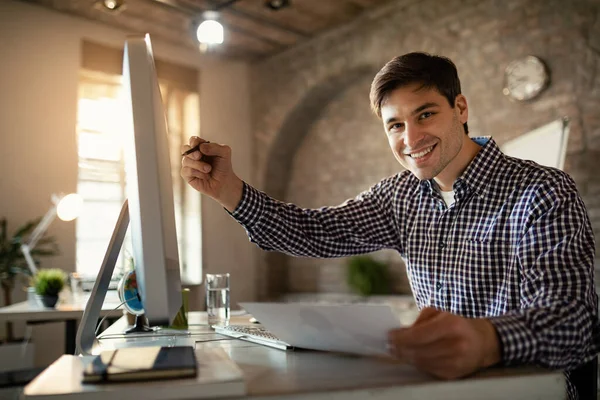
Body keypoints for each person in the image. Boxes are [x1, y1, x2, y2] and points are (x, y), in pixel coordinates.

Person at [180, 52, 599, 400]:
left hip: (529, 389)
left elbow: (574, 322)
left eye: (426, 114)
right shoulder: (399, 196)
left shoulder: (541, 190)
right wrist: (230, 190)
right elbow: (315, 231)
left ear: (461, 108)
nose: (410, 137)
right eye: (395, 125)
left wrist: (487, 341)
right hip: (438, 388)